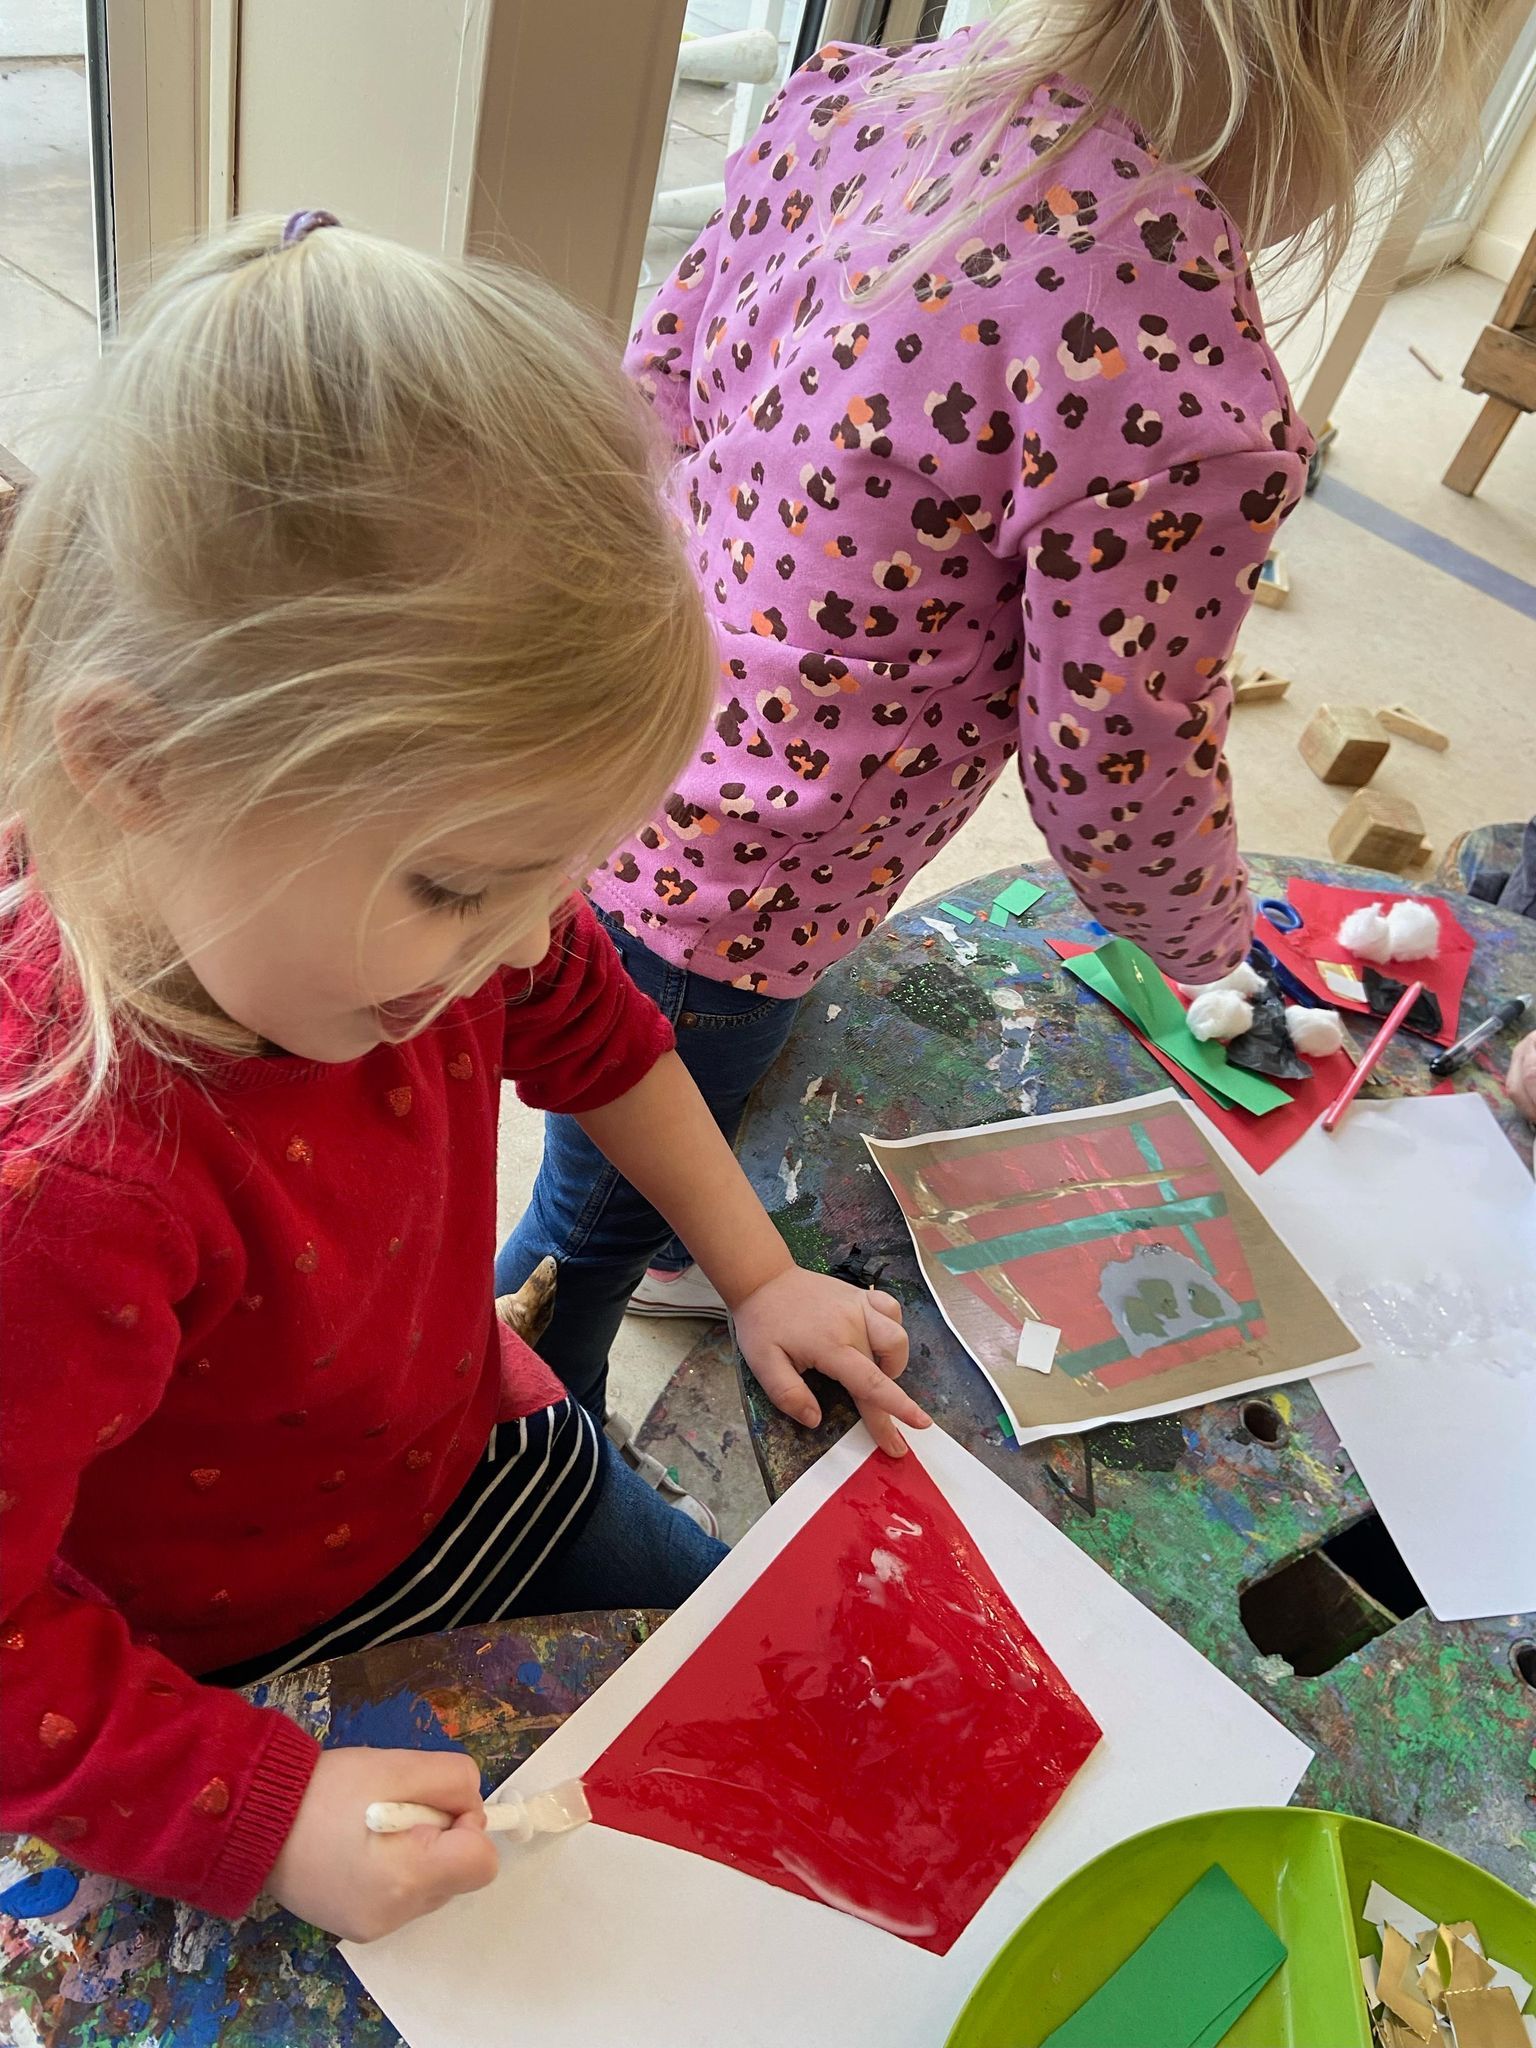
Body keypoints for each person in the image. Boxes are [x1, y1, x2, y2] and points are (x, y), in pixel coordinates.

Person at [0, 214, 925, 1942]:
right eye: (456, 888)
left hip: (484, 1461)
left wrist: (758, 1270)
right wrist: (263, 1813)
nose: (517, 945)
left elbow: (608, 1041)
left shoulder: (426, 931)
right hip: (217, 1664)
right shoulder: (61, 1186)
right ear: (135, 767)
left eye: (552, 878)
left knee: (797, 1767)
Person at [500, 0, 1504, 1400]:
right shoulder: (1173, 367)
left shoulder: (866, 106)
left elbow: (655, 394)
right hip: (743, 878)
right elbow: (1118, 767)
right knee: (588, 1223)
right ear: (1367, 73)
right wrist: (1209, 944)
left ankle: (683, 1227)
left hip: (615, 738)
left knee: (632, 1103)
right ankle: (510, 1422)